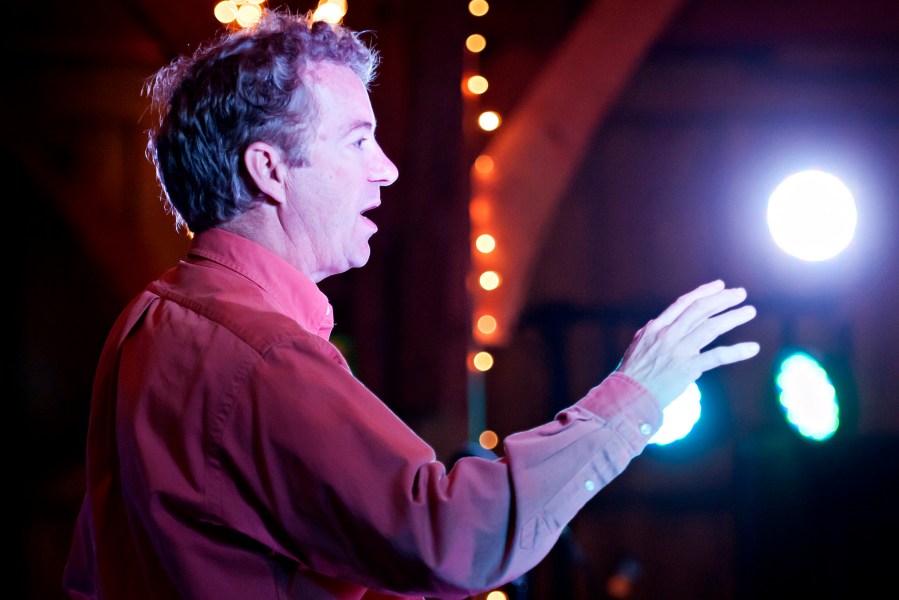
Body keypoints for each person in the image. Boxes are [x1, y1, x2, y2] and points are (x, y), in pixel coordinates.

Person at [62, 8, 760, 600]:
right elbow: (453, 540)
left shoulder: (147, 323)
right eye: (357, 140)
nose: (386, 168)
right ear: (268, 168)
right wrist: (633, 396)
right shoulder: (262, 356)